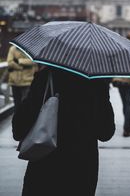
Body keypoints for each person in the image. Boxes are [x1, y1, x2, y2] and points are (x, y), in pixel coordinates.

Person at [12, 66, 115, 196]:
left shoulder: (46, 78)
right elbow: (106, 132)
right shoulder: (96, 83)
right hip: (81, 172)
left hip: (43, 169)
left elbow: (18, 129)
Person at [112, 31, 130, 137]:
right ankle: (127, 128)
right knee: (129, 105)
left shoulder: (120, 50)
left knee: (125, 104)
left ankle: (127, 126)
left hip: (120, 80)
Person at [7, 45, 37, 112]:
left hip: (27, 82)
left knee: (25, 104)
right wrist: (22, 67)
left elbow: (33, 61)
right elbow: (10, 63)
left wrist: (18, 61)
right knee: (16, 104)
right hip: (14, 81)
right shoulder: (12, 48)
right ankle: (17, 121)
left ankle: (25, 120)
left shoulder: (31, 49)